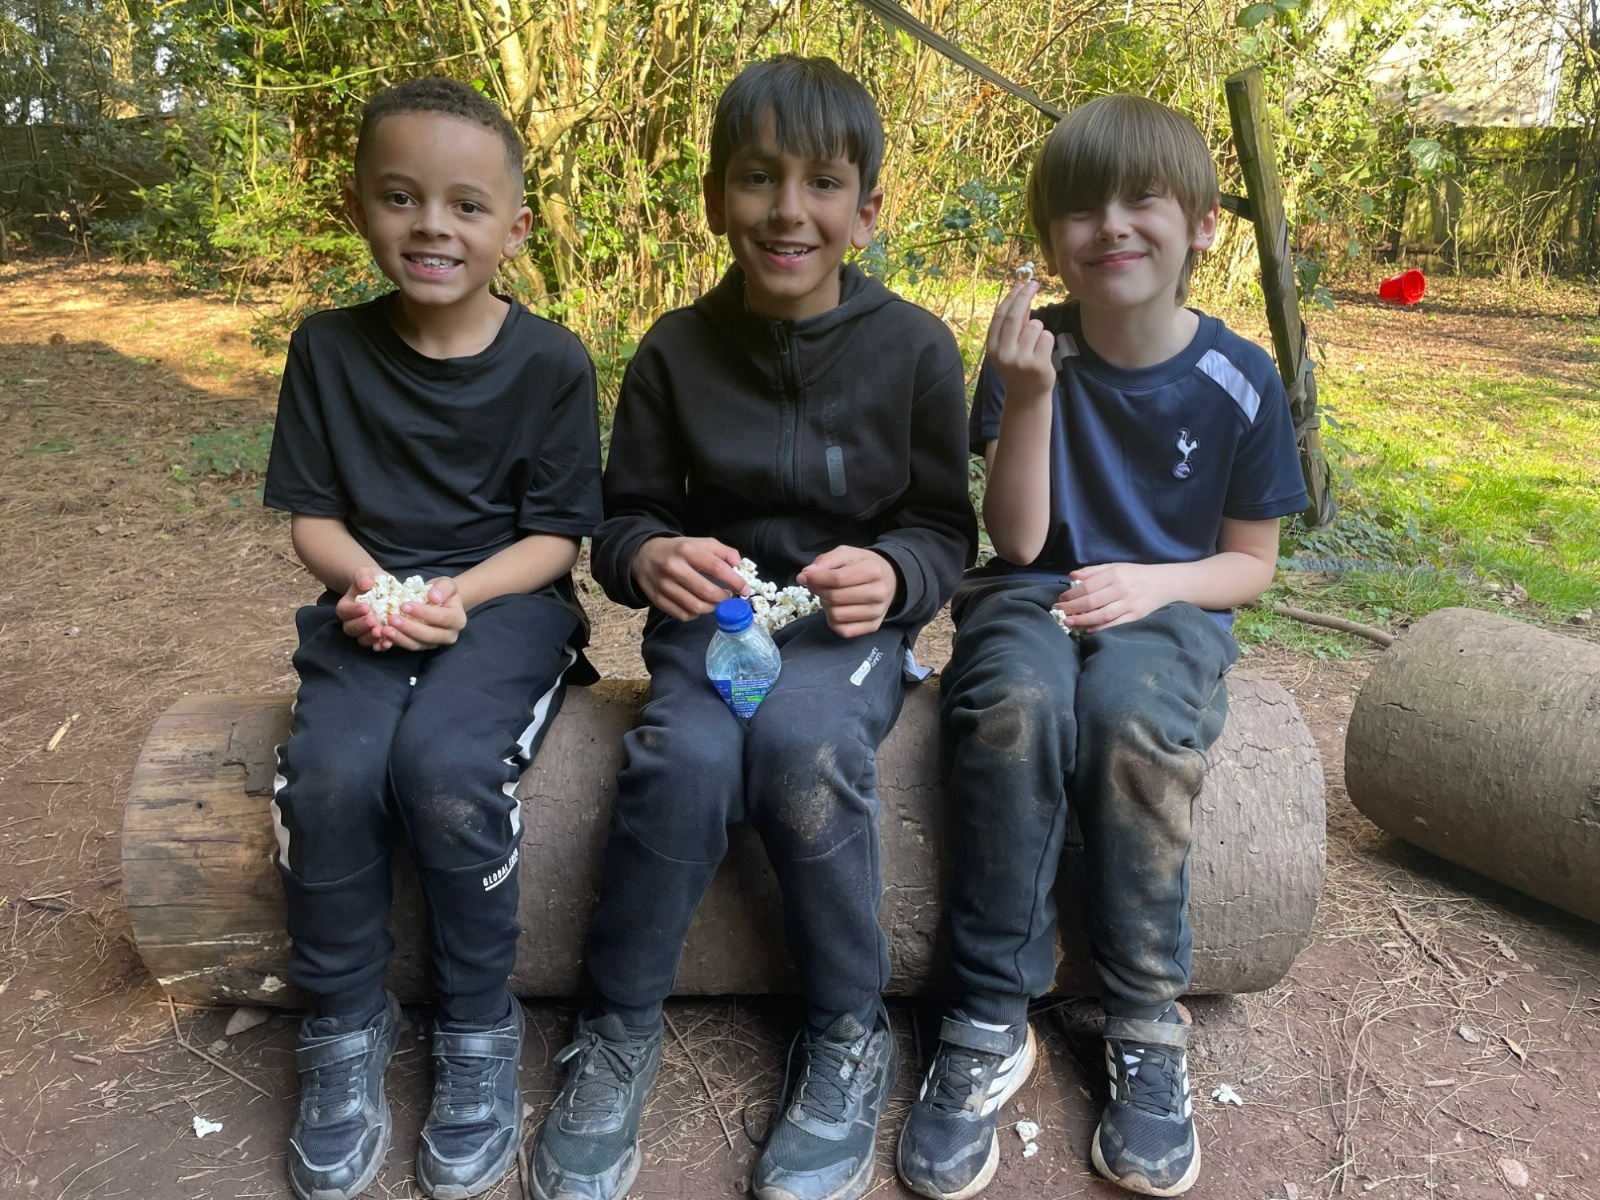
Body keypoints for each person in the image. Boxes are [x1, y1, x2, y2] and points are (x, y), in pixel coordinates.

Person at [526, 54, 977, 1200]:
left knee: (801, 747)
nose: (787, 210)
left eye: (822, 183)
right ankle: (617, 1029)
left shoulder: (917, 350)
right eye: (758, 178)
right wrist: (647, 557)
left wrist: (895, 573)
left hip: (845, 635)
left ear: (866, 210)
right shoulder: (675, 351)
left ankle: (845, 1031)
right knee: (681, 758)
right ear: (715, 197)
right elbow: (623, 519)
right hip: (714, 628)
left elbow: (942, 528)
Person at [896, 94, 1310, 1200]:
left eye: (1142, 200)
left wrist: (1151, 583)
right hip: (1029, 593)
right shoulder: (1030, 351)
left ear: (1203, 225)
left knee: (1130, 721)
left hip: (1170, 606)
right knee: (1013, 710)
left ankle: (1142, 1015)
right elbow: (1020, 540)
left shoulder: (1239, 377)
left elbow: (1249, 565)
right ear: (1050, 239)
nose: (1111, 225)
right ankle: (990, 1015)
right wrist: (1030, 395)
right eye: (1080, 208)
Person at [262, 76, 603, 1200]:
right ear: (358, 205)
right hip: (369, 609)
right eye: (400, 196)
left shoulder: (551, 363)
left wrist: (458, 593)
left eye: (466, 205)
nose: (431, 226)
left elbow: (556, 538)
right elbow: (313, 518)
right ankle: (344, 1022)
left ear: (515, 226)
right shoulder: (328, 350)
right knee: (331, 773)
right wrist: (371, 587)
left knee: (447, 767)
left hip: (507, 608)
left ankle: (475, 1025)